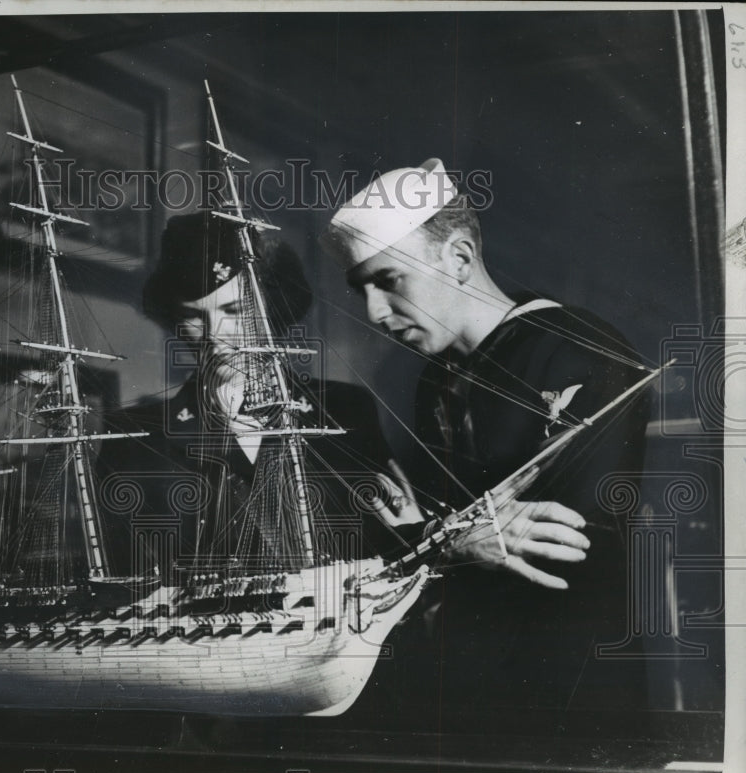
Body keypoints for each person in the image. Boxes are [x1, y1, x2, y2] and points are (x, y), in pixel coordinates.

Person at [320, 160, 650, 721]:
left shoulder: (581, 348)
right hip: (471, 675)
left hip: (573, 678)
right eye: (361, 291)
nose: (375, 313)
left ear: (459, 258)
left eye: (389, 280)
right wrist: (445, 535)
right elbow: (467, 536)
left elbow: (568, 538)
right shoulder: (434, 378)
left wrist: (429, 536)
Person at [96, 212, 411, 582]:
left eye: (235, 310)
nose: (216, 335)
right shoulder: (134, 439)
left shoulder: (344, 409)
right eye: (194, 317)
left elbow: (390, 544)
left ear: (273, 309)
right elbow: (124, 579)